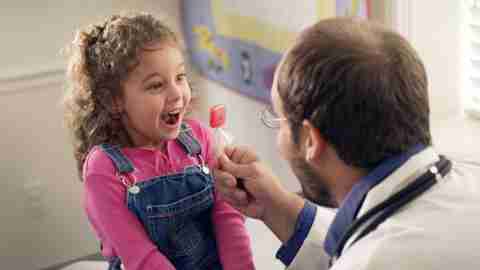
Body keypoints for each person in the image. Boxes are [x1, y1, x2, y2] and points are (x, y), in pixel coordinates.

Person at [214, 17, 480, 270]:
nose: (280, 137)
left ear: (310, 140)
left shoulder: (373, 261)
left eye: (280, 120)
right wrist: (277, 207)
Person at [63, 12, 255, 270]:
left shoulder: (199, 139)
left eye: (180, 77)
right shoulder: (103, 169)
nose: (177, 93)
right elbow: (139, 256)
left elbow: (227, 215)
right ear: (114, 100)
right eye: (156, 86)